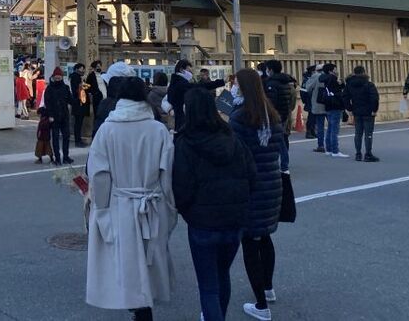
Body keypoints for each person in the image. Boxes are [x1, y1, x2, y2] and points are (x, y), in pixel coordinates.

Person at [86, 77, 176, 321]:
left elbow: (99, 175)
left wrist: (100, 211)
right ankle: (144, 309)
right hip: (152, 203)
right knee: (149, 262)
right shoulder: (157, 129)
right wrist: (169, 209)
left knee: (127, 262)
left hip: (119, 205)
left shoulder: (107, 129)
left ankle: (138, 309)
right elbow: (166, 175)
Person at [173, 88, 256, 321]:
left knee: (208, 285)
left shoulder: (185, 142)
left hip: (202, 223)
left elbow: (181, 187)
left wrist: (188, 211)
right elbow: (252, 175)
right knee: (222, 275)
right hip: (234, 221)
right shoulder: (232, 138)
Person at [229, 69, 286, 321]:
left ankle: (261, 305)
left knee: (250, 242)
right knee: (264, 237)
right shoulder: (271, 114)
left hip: (249, 186)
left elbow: (234, 153)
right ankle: (268, 287)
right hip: (272, 182)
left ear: (242, 87)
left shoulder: (240, 116)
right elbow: (280, 149)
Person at [263, 60, 296, 168]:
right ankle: (284, 165)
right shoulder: (285, 81)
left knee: (275, 142)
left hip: (274, 116)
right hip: (284, 114)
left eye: (267, 69)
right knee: (281, 140)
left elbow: (271, 102)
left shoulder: (272, 84)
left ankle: (278, 165)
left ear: (270, 70)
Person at [344, 66, 380, 162]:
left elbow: (345, 97)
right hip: (368, 111)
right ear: (364, 72)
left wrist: (349, 108)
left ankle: (358, 154)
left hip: (356, 110)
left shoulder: (349, 85)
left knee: (358, 133)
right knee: (368, 133)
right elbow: (374, 98)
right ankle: (368, 154)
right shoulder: (369, 84)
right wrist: (374, 110)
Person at [318, 63, 349, 158]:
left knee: (330, 129)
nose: (337, 71)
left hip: (328, 106)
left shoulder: (325, 79)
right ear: (331, 71)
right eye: (335, 69)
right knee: (334, 130)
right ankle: (335, 150)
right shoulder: (333, 79)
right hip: (336, 106)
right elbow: (338, 93)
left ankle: (329, 149)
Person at [43, 67, 73, 165]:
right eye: (56, 78)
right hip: (54, 117)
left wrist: (79, 97)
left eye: (59, 78)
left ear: (62, 77)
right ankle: (57, 158)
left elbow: (70, 100)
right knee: (55, 138)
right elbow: (47, 103)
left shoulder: (66, 88)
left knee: (66, 137)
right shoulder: (49, 88)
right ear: (53, 77)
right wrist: (50, 115)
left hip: (64, 116)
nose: (58, 80)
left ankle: (66, 157)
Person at [70, 63, 90, 147]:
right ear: (77, 69)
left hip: (80, 102)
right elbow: (78, 89)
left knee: (79, 123)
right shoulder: (75, 77)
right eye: (82, 69)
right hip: (79, 103)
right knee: (78, 123)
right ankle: (77, 141)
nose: (83, 70)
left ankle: (78, 140)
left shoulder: (78, 77)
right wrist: (85, 85)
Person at [299, 65, 316, 139]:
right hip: (310, 101)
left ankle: (312, 131)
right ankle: (308, 132)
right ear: (312, 71)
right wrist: (306, 101)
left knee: (313, 117)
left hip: (313, 101)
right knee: (311, 118)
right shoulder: (307, 80)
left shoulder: (312, 78)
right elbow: (303, 92)